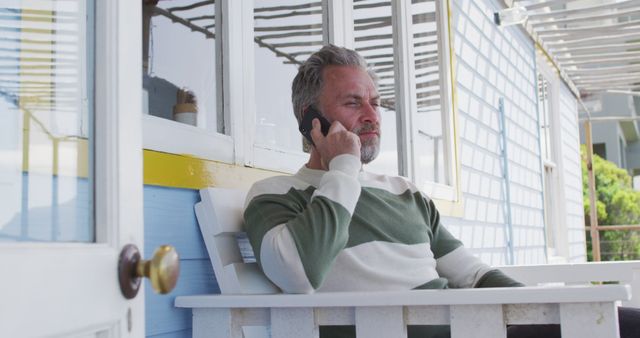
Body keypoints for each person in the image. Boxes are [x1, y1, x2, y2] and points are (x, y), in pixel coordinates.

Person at [242, 45, 640, 338]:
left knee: (620, 321)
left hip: (477, 325)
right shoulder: (276, 194)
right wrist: (343, 165)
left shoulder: (403, 191)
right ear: (310, 118)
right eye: (353, 103)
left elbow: (472, 274)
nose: (372, 116)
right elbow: (297, 273)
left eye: (376, 103)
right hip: (425, 331)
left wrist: (552, 309)